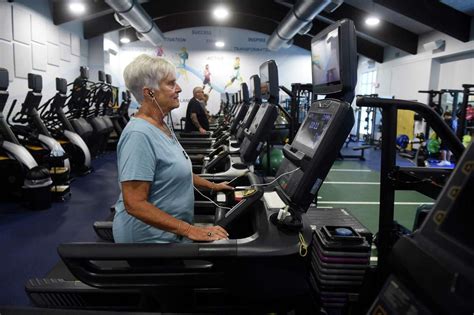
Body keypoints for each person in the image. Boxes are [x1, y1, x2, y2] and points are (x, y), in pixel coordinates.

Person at [113, 54, 232, 243]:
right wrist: (190, 230)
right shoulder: (139, 135)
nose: (179, 88)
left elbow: (174, 169)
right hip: (149, 241)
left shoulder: (161, 125)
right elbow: (134, 204)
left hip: (172, 232)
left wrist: (213, 186)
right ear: (149, 93)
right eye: (171, 84)